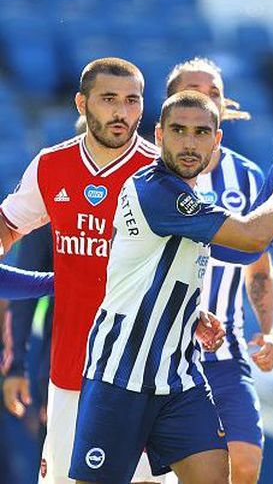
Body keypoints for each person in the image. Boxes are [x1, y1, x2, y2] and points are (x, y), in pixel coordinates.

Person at [68, 90, 273, 484]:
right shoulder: (159, 191)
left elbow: (236, 257)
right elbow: (252, 239)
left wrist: (188, 313)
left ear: (217, 140)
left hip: (179, 376)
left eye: (201, 132)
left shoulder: (189, 195)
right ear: (158, 135)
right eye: (178, 130)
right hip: (121, 372)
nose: (190, 143)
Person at [0, 58, 161, 484]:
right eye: (109, 99)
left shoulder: (160, 174)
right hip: (72, 367)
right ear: (81, 103)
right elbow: (9, 226)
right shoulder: (51, 167)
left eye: (132, 101)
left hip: (145, 371)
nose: (121, 112)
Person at [165, 58, 273, 484]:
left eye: (213, 93)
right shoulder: (144, 173)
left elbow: (260, 268)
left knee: (245, 463)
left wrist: (268, 331)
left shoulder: (246, 176)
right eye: (192, 92)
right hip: (157, 351)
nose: (204, 101)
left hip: (224, 355)